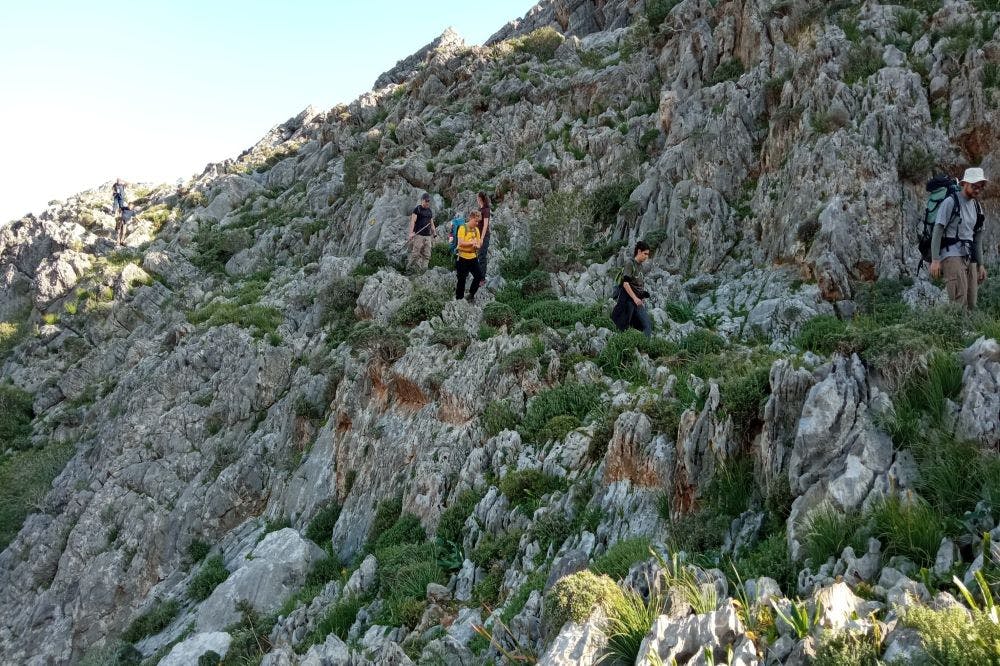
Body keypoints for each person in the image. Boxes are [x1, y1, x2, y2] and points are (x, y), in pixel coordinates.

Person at [929, 167, 988, 309]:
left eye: (980, 187)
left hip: (969, 256)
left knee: (972, 302)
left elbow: (977, 239)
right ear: (964, 184)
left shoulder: (977, 207)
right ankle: (957, 324)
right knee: (959, 301)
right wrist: (935, 260)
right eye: (974, 186)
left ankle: (968, 324)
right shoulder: (950, 202)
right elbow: (938, 230)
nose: (977, 190)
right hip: (951, 255)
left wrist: (981, 264)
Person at [611, 241, 653, 337]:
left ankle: (644, 344)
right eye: (645, 254)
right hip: (628, 300)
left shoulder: (640, 266)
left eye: (647, 254)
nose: (646, 257)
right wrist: (635, 298)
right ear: (639, 251)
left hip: (637, 301)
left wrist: (642, 296)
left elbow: (637, 284)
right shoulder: (630, 263)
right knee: (623, 325)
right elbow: (625, 284)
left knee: (647, 325)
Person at [455, 211, 485, 302]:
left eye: (478, 222)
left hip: (473, 257)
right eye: (476, 221)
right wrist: (471, 243)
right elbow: (460, 243)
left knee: (479, 276)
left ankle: (471, 294)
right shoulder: (462, 228)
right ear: (471, 218)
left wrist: (477, 246)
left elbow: (479, 244)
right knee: (462, 279)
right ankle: (459, 299)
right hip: (462, 257)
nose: (477, 223)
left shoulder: (476, 230)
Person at [407, 193, 436, 273]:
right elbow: (413, 221)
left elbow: (431, 223)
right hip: (419, 235)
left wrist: (434, 234)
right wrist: (411, 233)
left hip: (428, 236)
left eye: (428, 201)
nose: (427, 203)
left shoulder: (429, 211)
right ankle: (408, 269)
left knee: (427, 254)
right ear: (422, 200)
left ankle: (423, 271)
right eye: (426, 201)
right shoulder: (417, 209)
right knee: (416, 254)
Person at [476, 192, 492, 286]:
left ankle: (482, 279)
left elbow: (485, 225)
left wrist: (481, 238)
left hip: (484, 237)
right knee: (479, 256)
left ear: (480, 199)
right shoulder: (480, 209)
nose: (476, 199)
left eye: (477, 198)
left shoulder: (486, 210)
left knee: (482, 256)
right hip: (478, 236)